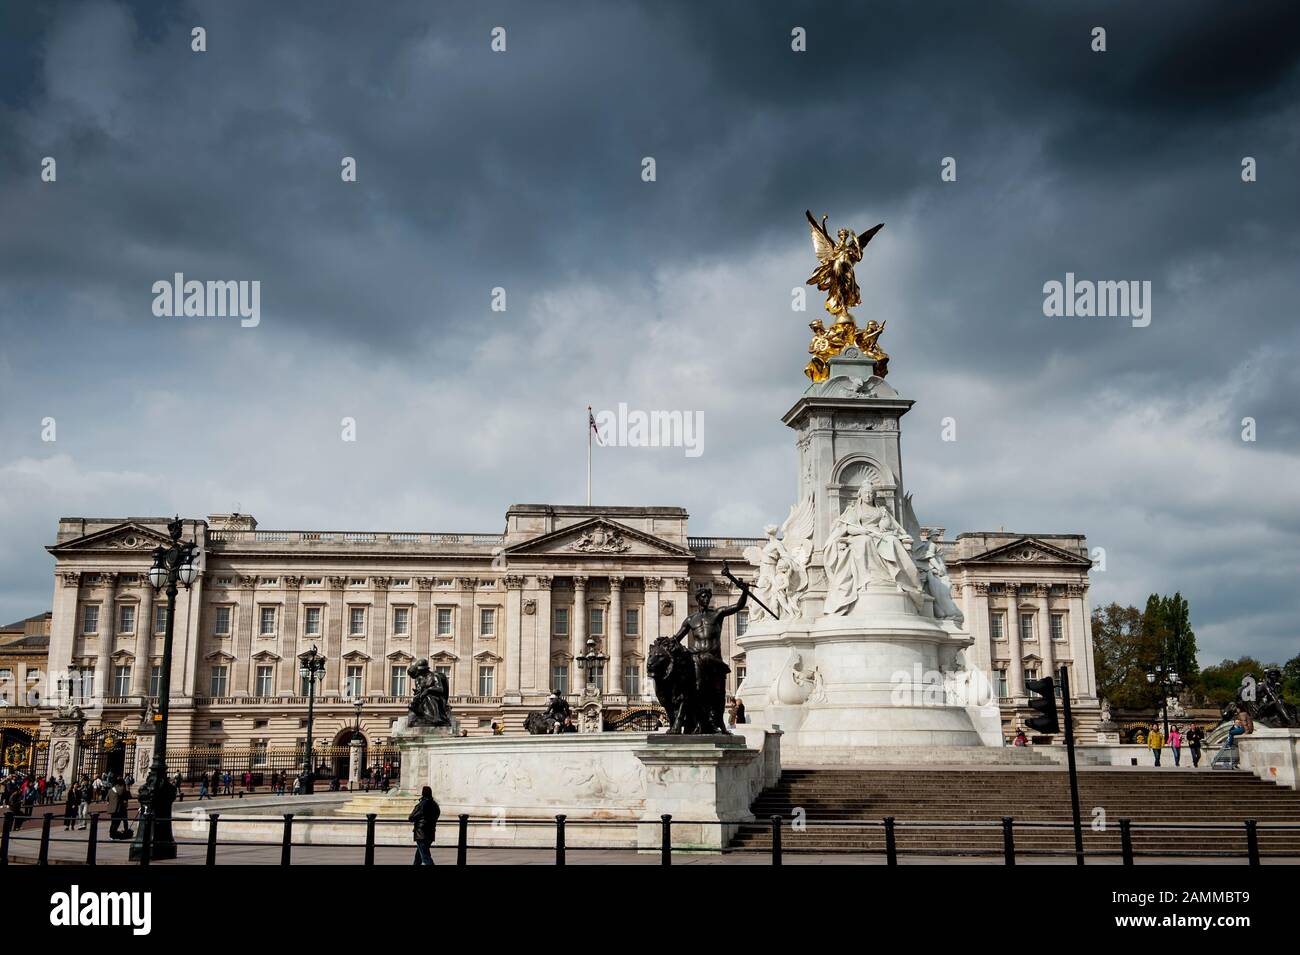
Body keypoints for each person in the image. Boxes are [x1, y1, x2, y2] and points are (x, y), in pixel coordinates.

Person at [409, 785, 440, 865]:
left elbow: (411, 817)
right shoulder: (435, 805)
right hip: (430, 833)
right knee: (418, 857)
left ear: (423, 793)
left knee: (425, 857)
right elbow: (436, 815)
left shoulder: (422, 804)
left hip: (421, 833)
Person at [106, 776, 132, 840]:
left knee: (113, 822)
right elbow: (127, 797)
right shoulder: (122, 788)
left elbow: (107, 799)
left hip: (112, 809)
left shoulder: (111, 789)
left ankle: (111, 835)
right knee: (117, 822)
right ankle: (114, 835)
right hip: (119, 809)